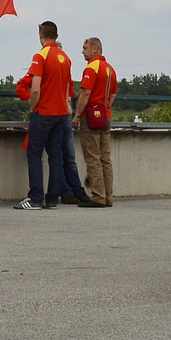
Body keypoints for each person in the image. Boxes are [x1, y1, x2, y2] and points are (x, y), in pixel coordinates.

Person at [15, 21, 73, 210]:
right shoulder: (65, 57)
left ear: (41, 34)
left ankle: (36, 198)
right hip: (61, 113)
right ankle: (52, 198)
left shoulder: (40, 56)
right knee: (56, 155)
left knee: (34, 154)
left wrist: (33, 107)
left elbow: (35, 88)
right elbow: (67, 87)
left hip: (44, 112)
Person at [74, 37, 117, 207]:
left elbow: (85, 93)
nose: (83, 51)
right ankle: (108, 197)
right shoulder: (110, 69)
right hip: (105, 116)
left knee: (93, 158)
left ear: (94, 48)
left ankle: (98, 196)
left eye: (85, 48)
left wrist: (78, 114)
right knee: (105, 159)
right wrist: (105, 108)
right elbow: (113, 94)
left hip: (90, 117)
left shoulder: (91, 68)